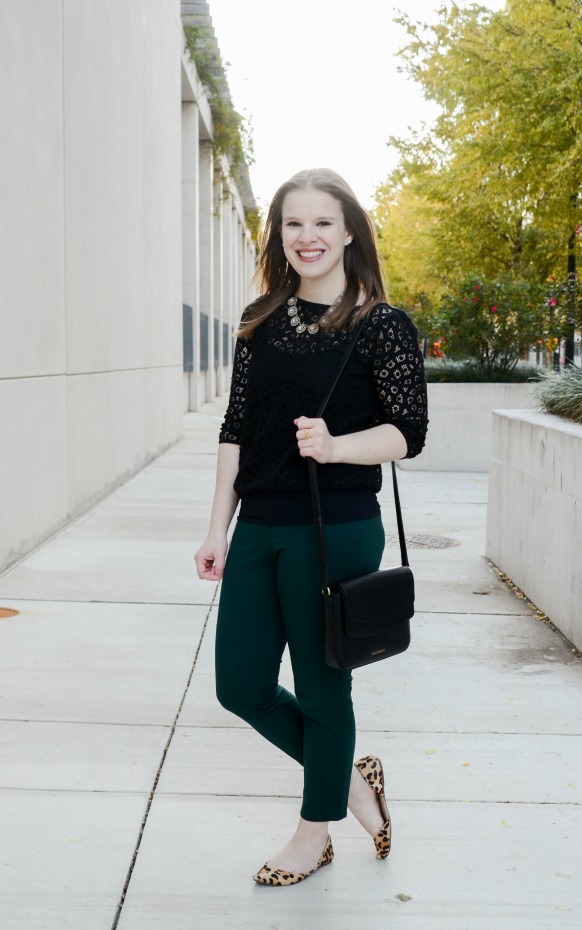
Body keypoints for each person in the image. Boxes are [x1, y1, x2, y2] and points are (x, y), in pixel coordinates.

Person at [194, 167, 428, 886]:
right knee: (240, 686)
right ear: (280, 236)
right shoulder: (261, 322)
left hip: (338, 530)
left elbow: (407, 433)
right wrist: (217, 529)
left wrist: (335, 446)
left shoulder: (381, 325)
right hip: (262, 525)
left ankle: (313, 832)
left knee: (324, 692)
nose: (307, 237)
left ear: (350, 230)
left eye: (322, 222)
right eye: (293, 223)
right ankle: (349, 781)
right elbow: (236, 428)